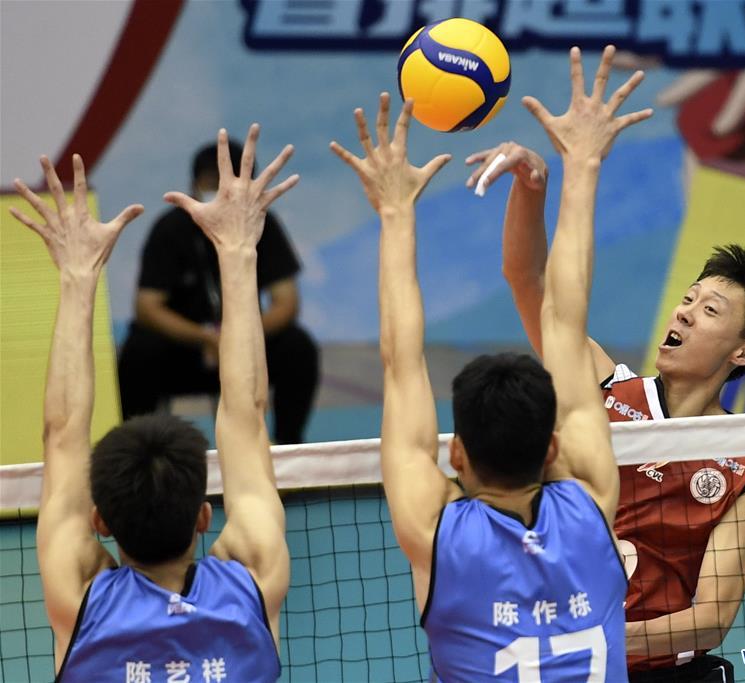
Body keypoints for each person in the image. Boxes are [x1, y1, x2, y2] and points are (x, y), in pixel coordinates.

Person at [330, 43, 651, 681]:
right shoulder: (593, 504)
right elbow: (564, 319)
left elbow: (399, 364)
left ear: (456, 454)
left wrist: (395, 214)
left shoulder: (437, 535)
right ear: (555, 443)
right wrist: (581, 164)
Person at [467, 87, 745, 683]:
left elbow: (711, 617)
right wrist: (531, 187)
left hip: (657, 669)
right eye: (688, 299)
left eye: (711, 311)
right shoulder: (602, 389)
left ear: (744, 351)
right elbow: (527, 279)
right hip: (562, 651)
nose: (685, 313)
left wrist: (605, 636)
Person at [9, 125, 296, 681]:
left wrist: (77, 276)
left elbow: (63, 431)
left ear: (99, 521)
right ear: (203, 517)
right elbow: (247, 413)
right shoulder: (253, 582)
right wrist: (238, 253)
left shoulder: (81, 602)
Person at [118, 139, 319, 444]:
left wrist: (240, 334)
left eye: (233, 181)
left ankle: (288, 449)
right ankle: (137, 453)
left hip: (247, 344)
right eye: (213, 182)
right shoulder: (170, 229)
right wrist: (204, 337)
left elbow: (286, 301)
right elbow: (148, 306)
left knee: (298, 347)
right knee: (139, 352)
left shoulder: (264, 225)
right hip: (187, 349)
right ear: (194, 184)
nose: (222, 191)